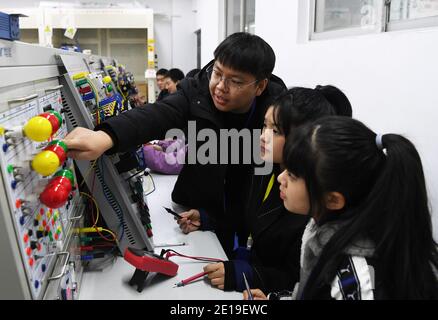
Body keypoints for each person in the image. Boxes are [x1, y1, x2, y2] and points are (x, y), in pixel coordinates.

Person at [63, 32, 286, 257]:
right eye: (217, 73)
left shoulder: (277, 115)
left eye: (235, 82)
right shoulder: (196, 92)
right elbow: (159, 114)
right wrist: (106, 136)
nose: (220, 86)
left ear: (259, 86)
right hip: (197, 210)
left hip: (246, 216)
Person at [244, 116, 438, 300]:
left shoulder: (355, 277)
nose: (281, 178)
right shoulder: (321, 224)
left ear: (333, 200)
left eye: (293, 176)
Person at [200, 86, 353, 293]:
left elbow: (298, 279)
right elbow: (245, 213)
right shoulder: (265, 167)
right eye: (264, 126)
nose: (263, 136)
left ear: (305, 138)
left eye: (276, 131)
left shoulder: (309, 199)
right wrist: (209, 220)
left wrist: (251, 276)